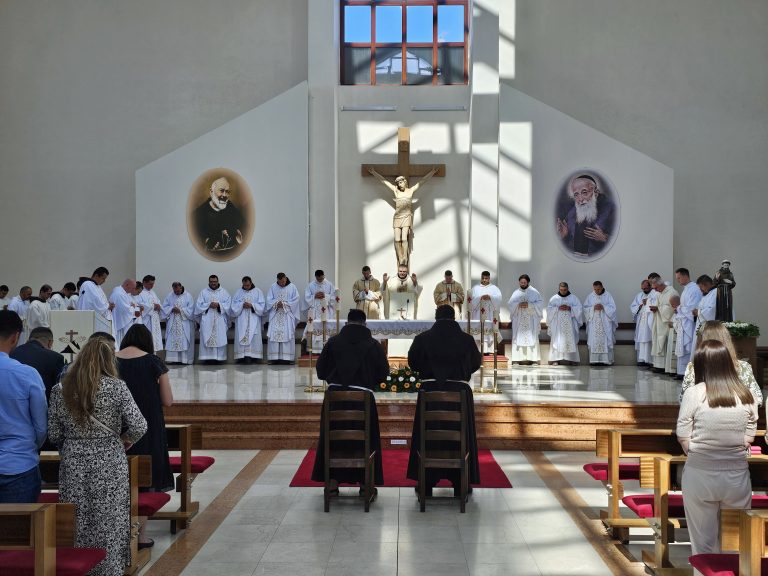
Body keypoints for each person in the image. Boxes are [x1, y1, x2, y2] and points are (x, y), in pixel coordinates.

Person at [48, 337, 147, 576]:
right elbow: (139, 425)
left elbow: (53, 434)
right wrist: (125, 440)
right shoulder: (117, 387)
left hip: (74, 461)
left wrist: (73, 441)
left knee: (78, 517)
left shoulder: (59, 390)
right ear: (109, 361)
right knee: (109, 519)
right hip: (109, 459)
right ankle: (109, 569)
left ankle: (78, 568)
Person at [676, 339, 757, 563]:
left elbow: (683, 432)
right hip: (736, 475)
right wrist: (739, 444)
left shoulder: (695, 393)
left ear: (701, 364)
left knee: (702, 543)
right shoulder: (745, 393)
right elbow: (751, 429)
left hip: (700, 473)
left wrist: (697, 451)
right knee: (735, 541)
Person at [406, 305, 482, 494]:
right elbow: (475, 363)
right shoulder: (467, 339)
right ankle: (461, 482)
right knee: (459, 435)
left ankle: (426, 482)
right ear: (454, 317)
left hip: (430, 392)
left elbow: (413, 362)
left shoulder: (422, 338)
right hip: (459, 392)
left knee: (428, 435)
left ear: (436, 317)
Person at [310, 309, 389, 492]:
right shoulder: (373, 345)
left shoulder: (333, 342)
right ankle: (365, 483)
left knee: (334, 438)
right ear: (365, 324)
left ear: (346, 323)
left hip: (335, 399)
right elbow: (383, 374)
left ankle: (332, 481)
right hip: (363, 400)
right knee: (364, 439)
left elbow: (321, 371)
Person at [116, 325, 173, 498]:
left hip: (118, 423)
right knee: (148, 467)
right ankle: (144, 506)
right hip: (148, 423)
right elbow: (168, 400)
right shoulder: (154, 361)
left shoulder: (110, 360)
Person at [0, 310, 47, 503]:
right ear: (16, 337)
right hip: (19, 463)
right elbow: (41, 427)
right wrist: (28, 447)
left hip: (19, 461)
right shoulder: (27, 374)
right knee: (19, 522)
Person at [368, 166, 438, 268]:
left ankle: (404, 257)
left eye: (401, 182)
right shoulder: (396, 191)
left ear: (405, 182)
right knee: (397, 240)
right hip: (397, 217)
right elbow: (384, 181)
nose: (399, 184)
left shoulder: (411, 191)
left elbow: (422, 181)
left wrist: (432, 172)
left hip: (406, 216)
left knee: (404, 239)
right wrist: (374, 172)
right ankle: (400, 257)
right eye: (398, 183)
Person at [679, 321, 762, 406]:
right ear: (728, 340)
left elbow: (684, 399)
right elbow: (758, 399)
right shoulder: (743, 366)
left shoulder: (693, 367)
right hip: (738, 412)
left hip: (703, 412)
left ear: (700, 342)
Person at [556, 174, 616, 257]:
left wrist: (605, 238)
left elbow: (622, 240)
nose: (580, 199)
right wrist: (564, 235)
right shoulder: (572, 211)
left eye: (584, 192)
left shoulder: (611, 208)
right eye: (576, 194)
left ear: (596, 192)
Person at [192, 176, 247, 254]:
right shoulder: (198, 214)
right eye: (221, 190)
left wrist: (240, 239)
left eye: (227, 192)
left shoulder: (230, 206)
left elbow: (245, 227)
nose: (224, 195)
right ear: (211, 192)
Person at [10, 326, 65, 401]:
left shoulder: (11, 353)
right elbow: (59, 391)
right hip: (44, 405)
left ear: (28, 340)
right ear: (50, 343)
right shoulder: (56, 358)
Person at [507, 274, 544, 364]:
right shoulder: (516, 293)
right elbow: (510, 304)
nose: (523, 284)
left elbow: (540, 304)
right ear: (519, 282)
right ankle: (517, 359)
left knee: (532, 337)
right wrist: (518, 305)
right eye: (521, 282)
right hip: (519, 319)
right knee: (518, 337)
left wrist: (529, 305)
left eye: (524, 282)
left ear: (528, 282)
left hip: (531, 320)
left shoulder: (534, 292)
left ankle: (533, 359)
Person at [195, 275, 231, 363]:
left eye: (215, 281)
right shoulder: (203, 292)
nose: (213, 283)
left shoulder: (224, 292)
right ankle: (207, 358)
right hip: (207, 319)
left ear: (218, 281)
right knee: (207, 336)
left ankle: (219, 359)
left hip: (220, 319)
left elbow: (229, 305)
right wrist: (208, 305)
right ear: (209, 282)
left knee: (219, 338)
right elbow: (198, 306)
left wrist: (219, 305)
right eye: (211, 282)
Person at [674, 268, 703, 377]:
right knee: (683, 348)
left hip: (690, 324)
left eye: (679, 278)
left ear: (685, 276)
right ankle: (681, 371)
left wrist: (679, 308)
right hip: (683, 322)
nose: (678, 280)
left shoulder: (694, 289)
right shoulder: (686, 289)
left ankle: (688, 372)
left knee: (689, 347)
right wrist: (679, 309)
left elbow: (692, 309)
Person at [266, 272, 300, 364]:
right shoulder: (273, 287)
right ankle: (274, 358)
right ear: (277, 280)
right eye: (280, 282)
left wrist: (284, 304)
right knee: (274, 335)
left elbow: (296, 300)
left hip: (287, 314)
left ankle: (287, 358)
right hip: (276, 314)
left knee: (287, 335)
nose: (282, 284)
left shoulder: (292, 287)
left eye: (283, 282)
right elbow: (269, 300)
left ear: (286, 278)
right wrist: (277, 303)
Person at [231, 275, 266, 363]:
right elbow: (233, 305)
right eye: (244, 285)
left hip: (254, 319)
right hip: (241, 319)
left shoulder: (258, 291)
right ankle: (241, 357)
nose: (246, 287)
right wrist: (241, 305)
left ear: (251, 283)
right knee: (242, 335)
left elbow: (262, 306)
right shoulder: (238, 292)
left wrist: (252, 305)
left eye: (248, 285)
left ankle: (254, 357)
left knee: (254, 338)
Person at [546, 282, 583, 365]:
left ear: (568, 289)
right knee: (557, 339)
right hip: (558, 324)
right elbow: (549, 310)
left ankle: (572, 359)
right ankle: (556, 359)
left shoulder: (573, 298)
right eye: (561, 290)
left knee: (571, 339)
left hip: (570, 324)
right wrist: (557, 308)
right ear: (559, 289)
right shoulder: (554, 298)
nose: (563, 291)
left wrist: (570, 308)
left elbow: (579, 309)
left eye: (565, 290)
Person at [583, 281, 618, 366]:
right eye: (595, 289)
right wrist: (593, 308)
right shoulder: (590, 296)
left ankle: (606, 361)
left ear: (602, 287)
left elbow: (613, 309)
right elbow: (585, 308)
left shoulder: (608, 296)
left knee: (605, 341)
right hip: (594, 323)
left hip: (605, 323)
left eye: (598, 289)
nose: (596, 291)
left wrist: (604, 307)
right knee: (594, 340)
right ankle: (594, 361)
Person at [468, 271, 503, 354]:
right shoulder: (475, 288)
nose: (484, 280)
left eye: (486, 278)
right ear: (481, 278)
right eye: (483, 278)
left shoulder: (494, 288)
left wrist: (490, 297)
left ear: (489, 278)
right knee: (478, 331)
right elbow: (471, 300)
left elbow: (499, 298)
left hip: (490, 314)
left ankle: (489, 350)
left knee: (489, 331)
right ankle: (478, 350)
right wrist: (480, 297)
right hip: (478, 314)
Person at [303, 269, 336, 353]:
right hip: (315, 311)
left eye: (321, 278)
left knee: (326, 327)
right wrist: (314, 296)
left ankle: (327, 349)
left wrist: (325, 295)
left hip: (326, 310)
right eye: (318, 278)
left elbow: (334, 298)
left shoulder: (329, 284)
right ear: (316, 277)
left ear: (323, 276)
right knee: (314, 327)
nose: (320, 280)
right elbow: (306, 298)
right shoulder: (311, 285)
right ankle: (314, 349)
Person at [162, 282, 196, 365]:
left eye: (177, 291)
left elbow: (191, 309)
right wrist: (171, 309)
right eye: (175, 291)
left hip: (184, 323)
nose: (176, 293)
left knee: (184, 341)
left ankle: (184, 360)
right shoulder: (170, 296)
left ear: (181, 288)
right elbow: (164, 307)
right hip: (173, 322)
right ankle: (172, 359)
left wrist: (181, 310)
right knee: (171, 340)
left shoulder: (188, 296)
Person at [650, 277, 678, 373]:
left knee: (665, 343)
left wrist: (658, 309)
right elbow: (660, 306)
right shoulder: (660, 293)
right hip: (659, 321)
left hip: (667, 322)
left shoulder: (672, 292)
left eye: (656, 288)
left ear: (661, 285)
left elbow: (673, 307)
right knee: (657, 341)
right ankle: (658, 365)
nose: (655, 290)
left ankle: (664, 366)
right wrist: (656, 308)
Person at [77, 266, 114, 335]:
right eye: (103, 278)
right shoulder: (88, 284)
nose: (104, 281)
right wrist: (107, 306)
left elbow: (101, 301)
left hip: (100, 318)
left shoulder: (97, 286)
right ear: (96, 275)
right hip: (91, 319)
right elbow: (95, 302)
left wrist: (107, 305)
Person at [110, 278, 142, 346]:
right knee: (121, 342)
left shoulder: (124, 293)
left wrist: (132, 306)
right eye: (133, 288)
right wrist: (133, 307)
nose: (133, 290)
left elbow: (130, 305)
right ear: (127, 285)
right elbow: (126, 310)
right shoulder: (119, 294)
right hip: (121, 324)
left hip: (123, 323)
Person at [137, 275, 164, 352]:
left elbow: (158, 302)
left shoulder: (153, 292)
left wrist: (159, 306)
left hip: (154, 319)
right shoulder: (140, 292)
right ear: (144, 282)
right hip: (147, 320)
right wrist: (152, 306)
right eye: (150, 284)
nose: (152, 286)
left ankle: (153, 355)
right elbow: (139, 304)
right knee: (147, 338)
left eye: (153, 284)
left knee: (154, 339)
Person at [631, 279, 654, 366]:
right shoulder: (639, 295)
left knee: (649, 340)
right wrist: (640, 306)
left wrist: (648, 302)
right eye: (642, 288)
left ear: (650, 286)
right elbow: (633, 307)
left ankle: (650, 361)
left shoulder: (654, 294)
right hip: (641, 322)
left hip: (649, 322)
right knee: (641, 339)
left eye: (646, 288)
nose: (644, 290)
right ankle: (641, 360)